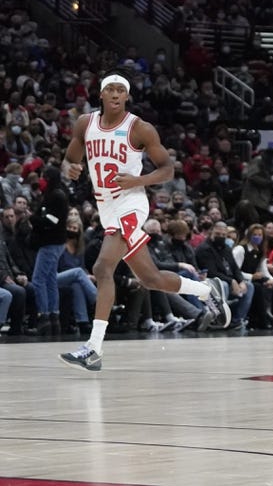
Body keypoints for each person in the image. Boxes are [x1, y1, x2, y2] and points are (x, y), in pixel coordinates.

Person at [59, 69, 229, 371]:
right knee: (150, 279)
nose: (115, 94)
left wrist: (136, 180)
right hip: (106, 207)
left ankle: (94, 348)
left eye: (120, 91)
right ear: (100, 93)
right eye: (109, 89)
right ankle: (208, 291)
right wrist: (69, 169)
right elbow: (70, 160)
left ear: (126, 96)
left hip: (132, 202)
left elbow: (167, 170)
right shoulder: (85, 124)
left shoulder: (140, 128)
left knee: (102, 267)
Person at [29, 166, 70, 335]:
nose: (41, 180)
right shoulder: (54, 194)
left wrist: (33, 218)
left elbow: (52, 221)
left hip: (51, 244)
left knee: (38, 280)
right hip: (55, 243)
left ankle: (44, 317)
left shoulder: (56, 196)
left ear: (50, 178)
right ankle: (54, 318)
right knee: (50, 280)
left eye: (44, 177)